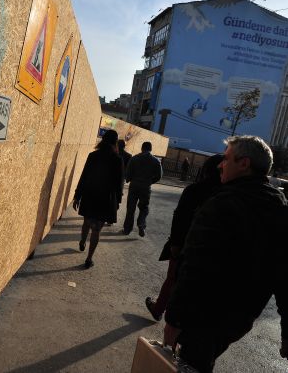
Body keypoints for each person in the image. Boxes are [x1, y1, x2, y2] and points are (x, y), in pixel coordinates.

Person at [163, 136, 288, 372]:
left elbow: (195, 266)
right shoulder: (279, 209)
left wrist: (174, 320)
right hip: (239, 319)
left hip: (203, 314)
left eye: (227, 159)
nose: (221, 164)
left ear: (244, 164)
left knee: (189, 364)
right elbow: (284, 275)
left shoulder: (222, 204)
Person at [145, 154, 223, 321]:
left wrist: (175, 243)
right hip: (212, 251)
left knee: (173, 278)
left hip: (185, 243)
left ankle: (159, 309)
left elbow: (179, 217)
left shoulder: (195, 190)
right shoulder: (226, 194)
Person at [73, 130, 123, 269]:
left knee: (86, 221)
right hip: (105, 198)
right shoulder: (117, 159)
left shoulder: (93, 156)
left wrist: (77, 195)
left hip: (90, 194)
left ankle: (83, 241)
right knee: (96, 229)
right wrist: (118, 201)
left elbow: (84, 176)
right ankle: (89, 259)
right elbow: (119, 183)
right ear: (115, 142)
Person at [122, 141, 162, 237]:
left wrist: (129, 179)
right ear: (151, 149)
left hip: (134, 186)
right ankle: (141, 223)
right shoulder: (156, 161)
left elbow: (128, 172)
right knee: (144, 208)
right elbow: (159, 176)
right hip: (145, 187)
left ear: (142, 148)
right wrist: (150, 182)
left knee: (131, 208)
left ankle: (127, 229)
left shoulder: (134, 158)